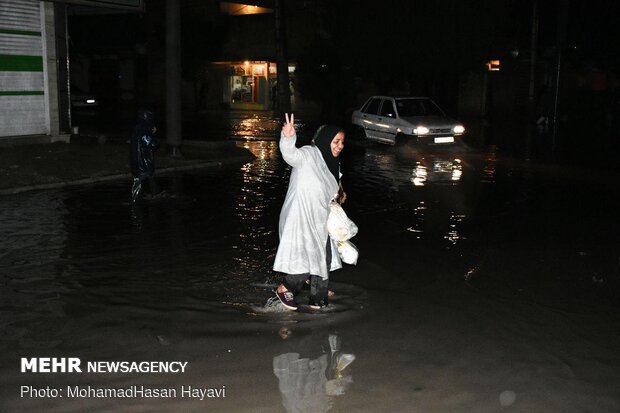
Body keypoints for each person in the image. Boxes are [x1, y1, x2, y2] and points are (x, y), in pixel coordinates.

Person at [273, 113, 346, 311]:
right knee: (307, 258)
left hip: (321, 220)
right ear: (325, 140)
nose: (340, 146)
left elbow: (330, 192)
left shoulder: (332, 164)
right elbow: (291, 155)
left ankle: (318, 299)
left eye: (342, 143)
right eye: (336, 141)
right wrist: (288, 138)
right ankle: (285, 288)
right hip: (301, 216)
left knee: (325, 257)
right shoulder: (309, 154)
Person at [130, 107, 160, 202]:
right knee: (141, 180)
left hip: (138, 162)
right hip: (143, 163)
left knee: (147, 179)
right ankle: (135, 201)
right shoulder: (144, 131)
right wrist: (153, 135)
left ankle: (154, 195)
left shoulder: (138, 129)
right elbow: (152, 144)